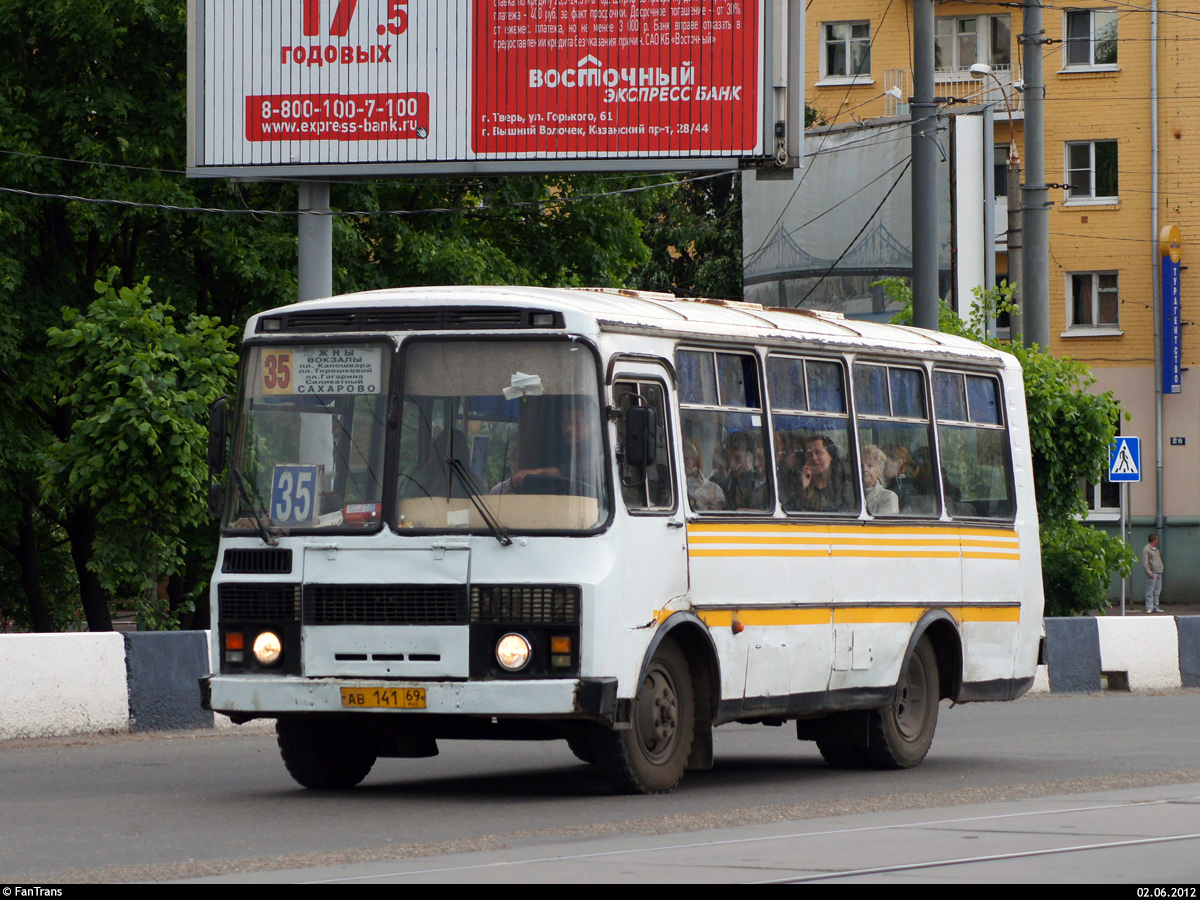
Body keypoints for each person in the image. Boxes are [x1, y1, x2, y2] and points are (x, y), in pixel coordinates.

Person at [799, 434, 855, 513]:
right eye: (809, 454)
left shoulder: (844, 486)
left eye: (818, 452)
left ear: (831, 455)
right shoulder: (802, 485)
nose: (814, 458)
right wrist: (803, 487)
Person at [683, 439, 726, 510]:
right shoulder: (672, 491)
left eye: (686, 459)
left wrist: (695, 503)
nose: (682, 463)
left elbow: (716, 518)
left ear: (696, 461)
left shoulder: (713, 489)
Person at [861, 444, 899, 515]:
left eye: (870, 466)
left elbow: (884, 524)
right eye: (861, 465)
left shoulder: (888, 497)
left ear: (879, 470)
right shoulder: (845, 492)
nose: (864, 469)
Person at [1142, 533, 1164, 613]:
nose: (1157, 541)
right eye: (1156, 539)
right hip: (1152, 572)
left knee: (1157, 590)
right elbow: (1145, 563)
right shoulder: (1146, 550)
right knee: (1150, 590)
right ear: (1154, 540)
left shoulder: (1155, 549)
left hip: (1159, 571)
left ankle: (1155, 606)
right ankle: (1149, 607)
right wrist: (1149, 572)